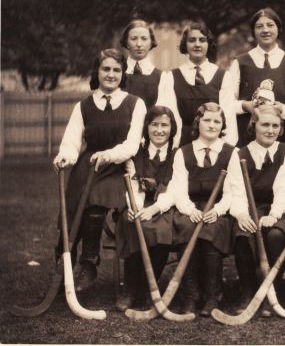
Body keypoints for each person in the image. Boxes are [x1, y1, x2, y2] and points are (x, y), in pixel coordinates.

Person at [53, 48, 147, 292]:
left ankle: (89, 263)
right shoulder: (83, 106)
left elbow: (131, 144)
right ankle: (63, 267)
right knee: (71, 209)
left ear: (122, 73)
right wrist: (64, 157)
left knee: (95, 199)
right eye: (106, 69)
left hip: (118, 167)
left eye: (116, 70)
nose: (111, 74)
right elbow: (72, 143)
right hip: (89, 163)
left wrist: (109, 155)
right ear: (97, 72)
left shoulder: (135, 104)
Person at [152, 102, 250, 316]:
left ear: (223, 125)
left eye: (217, 121)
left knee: (211, 231)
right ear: (198, 122)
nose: (212, 125)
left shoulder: (231, 153)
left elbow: (234, 190)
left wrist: (219, 210)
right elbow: (178, 190)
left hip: (219, 209)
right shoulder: (183, 152)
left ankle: (213, 294)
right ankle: (191, 294)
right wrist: (189, 210)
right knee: (187, 228)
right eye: (207, 120)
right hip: (190, 208)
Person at [233, 104, 285, 317]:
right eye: (265, 125)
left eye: (275, 126)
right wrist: (242, 214)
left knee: (275, 235)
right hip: (249, 208)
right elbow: (236, 190)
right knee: (243, 235)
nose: (270, 130)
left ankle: (273, 291)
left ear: (281, 129)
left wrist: (274, 215)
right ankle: (247, 291)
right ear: (254, 125)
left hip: (276, 208)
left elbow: (284, 187)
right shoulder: (240, 153)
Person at [115, 106, 178, 311]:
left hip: (163, 205)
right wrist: (136, 207)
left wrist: (154, 209)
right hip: (138, 202)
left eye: (164, 125)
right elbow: (132, 185)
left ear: (172, 128)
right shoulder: (135, 155)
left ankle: (149, 286)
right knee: (130, 222)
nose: (159, 130)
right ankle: (131, 289)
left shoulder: (177, 155)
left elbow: (174, 189)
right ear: (146, 127)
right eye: (154, 124)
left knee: (161, 230)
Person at [221, 7, 285, 148]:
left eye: (270, 25)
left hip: (283, 137)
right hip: (247, 138)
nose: (265, 30)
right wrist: (245, 106)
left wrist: (284, 110)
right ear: (253, 32)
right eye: (259, 26)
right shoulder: (241, 62)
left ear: (278, 29)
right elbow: (227, 102)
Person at [164, 21, 236, 147]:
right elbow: (171, 116)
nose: (197, 44)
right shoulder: (172, 77)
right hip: (183, 143)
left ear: (209, 44)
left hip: (214, 142)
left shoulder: (223, 76)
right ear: (185, 44)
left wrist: (225, 150)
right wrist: (173, 148)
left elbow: (228, 117)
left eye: (202, 40)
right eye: (192, 40)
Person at [120, 19, 181, 138]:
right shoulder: (117, 75)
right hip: (118, 136)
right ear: (126, 42)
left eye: (144, 39)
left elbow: (162, 114)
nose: (139, 44)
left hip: (148, 138)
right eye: (133, 39)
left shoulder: (162, 77)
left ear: (151, 42)